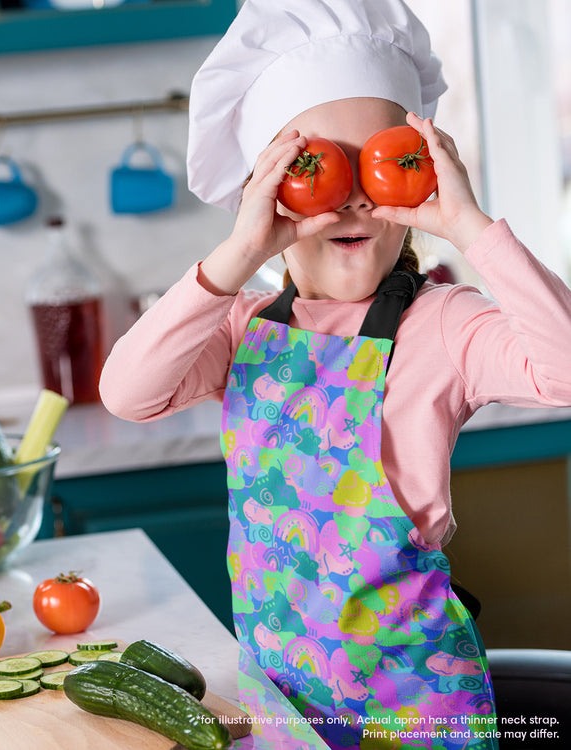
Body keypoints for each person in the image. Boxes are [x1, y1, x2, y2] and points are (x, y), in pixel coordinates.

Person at [99, 0, 571, 746]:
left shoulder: (441, 323)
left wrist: (471, 227)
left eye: (382, 164)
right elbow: (126, 393)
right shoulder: (240, 323)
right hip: (284, 709)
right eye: (317, 167)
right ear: (267, 188)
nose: (351, 194)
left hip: (418, 716)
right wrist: (238, 255)